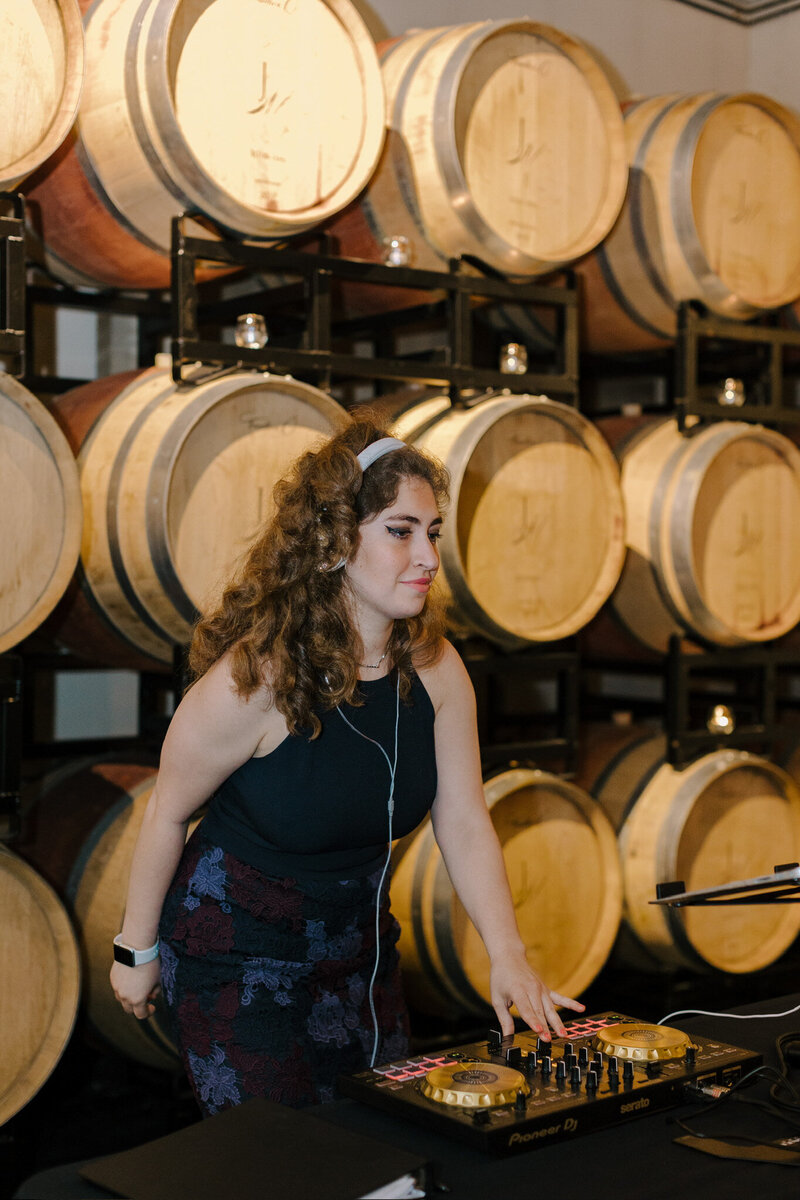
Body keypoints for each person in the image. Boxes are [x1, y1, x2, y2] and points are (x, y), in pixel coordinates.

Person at [110, 418, 584, 1114]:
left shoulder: (438, 671)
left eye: (433, 532)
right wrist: (135, 952)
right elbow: (168, 813)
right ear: (334, 541)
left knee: (381, 1150)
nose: (426, 554)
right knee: (280, 1168)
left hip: (360, 952)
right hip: (238, 955)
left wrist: (506, 952)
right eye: (400, 530)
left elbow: (462, 816)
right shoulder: (256, 680)